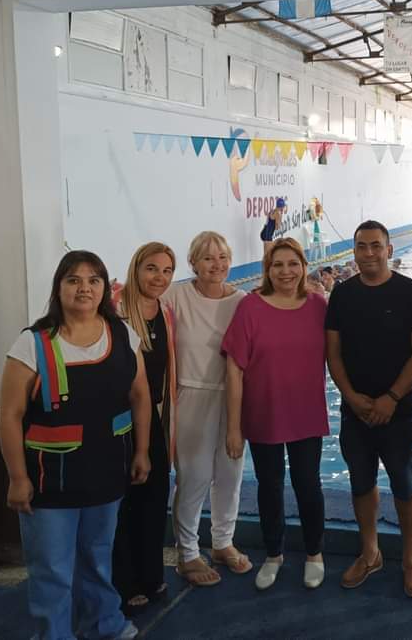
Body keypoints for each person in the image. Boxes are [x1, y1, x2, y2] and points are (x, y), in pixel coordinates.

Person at [0, 251, 151, 640]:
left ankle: (103, 625)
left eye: (93, 280)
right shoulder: (32, 344)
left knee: (98, 558)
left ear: (104, 288)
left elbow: (140, 396)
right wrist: (18, 478)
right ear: (58, 288)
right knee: (52, 569)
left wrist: (141, 451)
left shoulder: (123, 335)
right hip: (49, 483)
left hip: (107, 473)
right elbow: (10, 415)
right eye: (74, 280)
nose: (85, 288)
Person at [325, 221, 412, 597]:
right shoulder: (342, 294)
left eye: (375, 246)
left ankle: (410, 557)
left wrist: (392, 397)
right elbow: (333, 353)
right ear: (353, 251)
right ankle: (370, 552)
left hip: (398, 411)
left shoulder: (410, 292)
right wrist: (351, 397)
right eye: (361, 246)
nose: (368, 253)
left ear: (389, 249)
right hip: (355, 410)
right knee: (361, 483)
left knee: (405, 484)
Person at [223, 237, 329, 591]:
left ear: (304, 267)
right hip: (264, 412)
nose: (286, 271)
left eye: (293, 264)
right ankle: (273, 554)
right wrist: (234, 427)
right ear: (267, 270)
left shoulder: (318, 306)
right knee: (269, 486)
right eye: (277, 265)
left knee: (308, 485)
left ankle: (314, 553)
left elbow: (342, 354)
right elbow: (234, 369)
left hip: (306, 412)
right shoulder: (251, 307)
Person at [167, 232, 251, 587]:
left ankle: (222, 542)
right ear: (193, 263)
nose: (217, 265)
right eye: (207, 258)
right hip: (191, 394)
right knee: (194, 475)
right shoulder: (176, 296)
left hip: (235, 395)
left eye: (222, 257)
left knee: (230, 473)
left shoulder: (243, 301)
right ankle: (187, 552)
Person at [112, 242, 177, 613]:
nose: (159, 277)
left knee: (154, 497)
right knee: (124, 502)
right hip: (119, 420)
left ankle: (151, 574)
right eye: (152, 268)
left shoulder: (165, 312)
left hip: (152, 417)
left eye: (167, 271)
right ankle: (124, 582)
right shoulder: (116, 311)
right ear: (136, 268)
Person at [260, 197, 287, 263]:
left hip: (264, 233)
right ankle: (267, 269)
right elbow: (277, 227)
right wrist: (280, 217)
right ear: (282, 206)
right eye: (283, 206)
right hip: (268, 236)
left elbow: (267, 223)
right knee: (268, 256)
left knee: (266, 256)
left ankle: (265, 268)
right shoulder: (278, 213)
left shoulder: (271, 211)